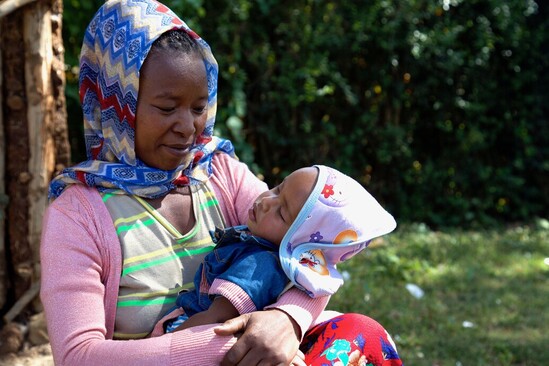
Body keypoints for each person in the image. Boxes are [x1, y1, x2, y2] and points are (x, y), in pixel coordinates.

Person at [40, 0, 404, 365]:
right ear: (117, 101)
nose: (188, 128)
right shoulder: (78, 216)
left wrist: (286, 319)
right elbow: (78, 357)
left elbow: (310, 248)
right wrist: (220, 346)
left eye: (198, 108)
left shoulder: (217, 172)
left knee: (364, 335)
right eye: (167, 108)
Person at [165, 164, 397, 334]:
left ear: (298, 244)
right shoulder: (255, 236)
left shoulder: (258, 266)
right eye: (278, 188)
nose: (266, 201)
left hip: (192, 331)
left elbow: (216, 319)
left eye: (282, 213)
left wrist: (169, 343)